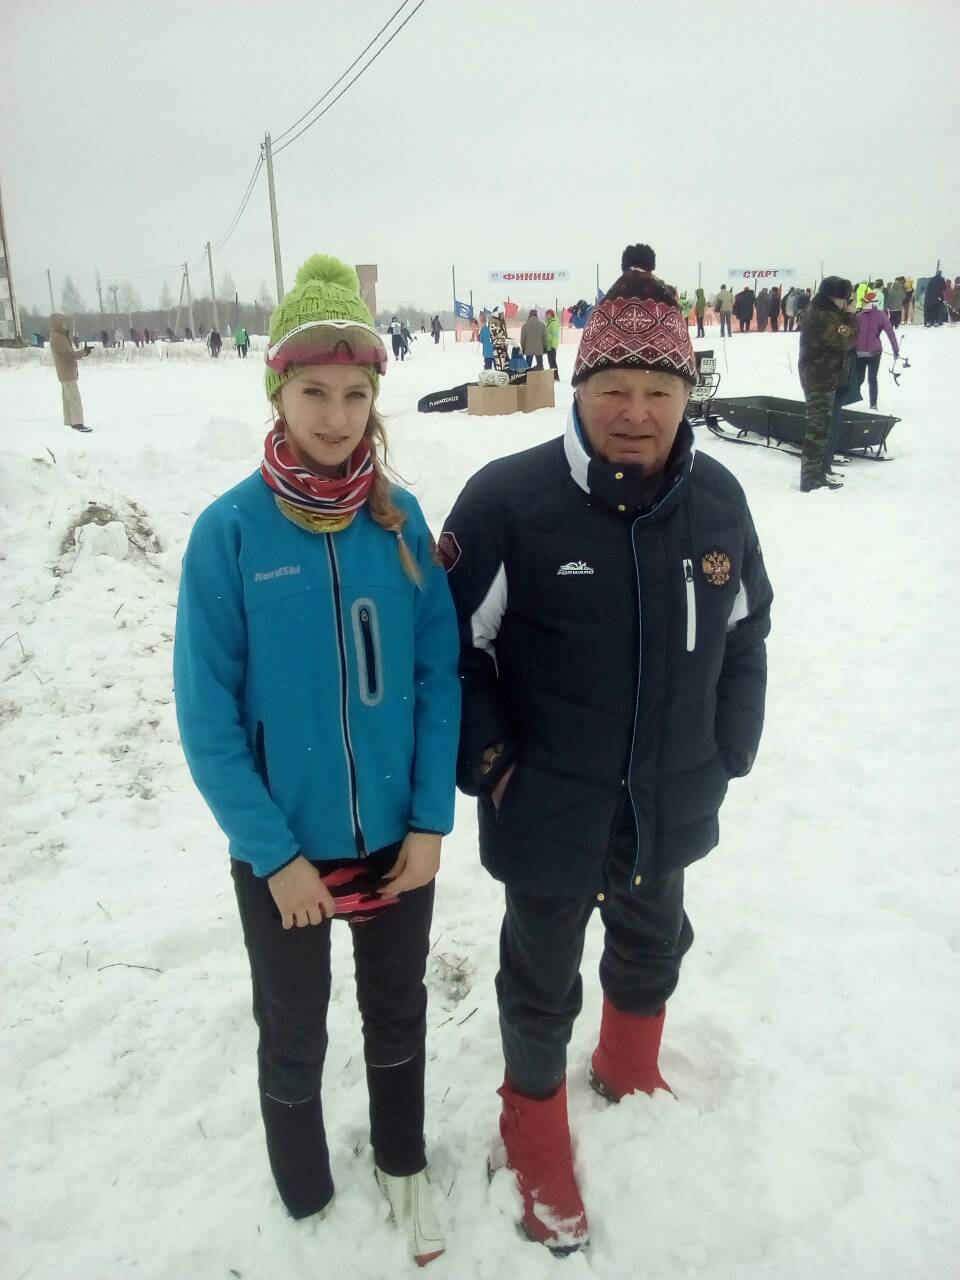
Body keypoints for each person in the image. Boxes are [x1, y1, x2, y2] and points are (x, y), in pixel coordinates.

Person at [440, 242, 772, 1255]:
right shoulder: (509, 502)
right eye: (614, 388)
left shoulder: (719, 505)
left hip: (667, 792)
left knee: (653, 939)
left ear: (686, 394)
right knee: (541, 977)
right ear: (580, 389)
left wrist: (729, 745)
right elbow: (449, 650)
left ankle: (629, 1062)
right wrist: (494, 766)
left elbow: (747, 629)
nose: (637, 411)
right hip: (547, 801)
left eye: (659, 390)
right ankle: (533, 1129)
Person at [174, 255, 460, 1266]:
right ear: (278, 392)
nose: (336, 417)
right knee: (293, 1026)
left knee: (397, 1009)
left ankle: (402, 1162)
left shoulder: (401, 521)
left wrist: (430, 820)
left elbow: (437, 678)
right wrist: (273, 854)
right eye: (314, 393)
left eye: (354, 395)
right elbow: (207, 719)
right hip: (286, 855)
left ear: (374, 399)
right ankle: (302, 1194)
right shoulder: (229, 534)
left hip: (395, 842)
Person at [798, 277, 857, 492]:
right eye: (845, 298)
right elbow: (847, 340)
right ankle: (811, 479)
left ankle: (818, 474)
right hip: (820, 377)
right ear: (835, 297)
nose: (847, 302)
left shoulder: (823, 311)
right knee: (818, 431)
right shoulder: (825, 315)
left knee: (821, 428)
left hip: (822, 376)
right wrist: (851, 316)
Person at [854, 290, 898, 410]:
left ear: (873, 303)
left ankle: (870, 403)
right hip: (866, 353)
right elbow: (890, 333)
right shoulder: (863, 316)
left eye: (866, 302)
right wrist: (895, 350)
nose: (864, 304)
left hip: (869, 353)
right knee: (865, 379)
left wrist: (895, 349)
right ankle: (868, 403)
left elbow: (890, 332)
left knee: (866, 378)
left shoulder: (863, 316)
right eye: (863, 302)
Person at [49, 312, 92, 432]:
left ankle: (70, 421)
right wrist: (83, 352)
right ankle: (77, 422)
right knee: (74, 398)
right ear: (58, 323)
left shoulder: (58, 336)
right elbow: (69, 354)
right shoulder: (58, 337)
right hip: (67, 372)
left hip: (64, 372)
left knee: (67, 398)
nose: (65, 324)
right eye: (63, 322)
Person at [544, 308, 561, 379]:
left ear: (552, 315)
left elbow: (555, 335)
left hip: (552, 345)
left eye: (550, 314)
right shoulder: (548, 323)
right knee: (550, 361)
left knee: (552, 361)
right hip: (548, 345)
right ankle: (553, 375)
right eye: (547, 314)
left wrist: (553, 346)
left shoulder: (553, 323)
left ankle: (556, 376)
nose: (548, 316)